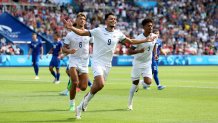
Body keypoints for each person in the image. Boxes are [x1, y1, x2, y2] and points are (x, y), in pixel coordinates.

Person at [64, 12, 156, 119]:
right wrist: (72, 28)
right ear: (106, 21)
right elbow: (81, 33)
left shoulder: (118, 33)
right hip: (97, 62)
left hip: (108, 64)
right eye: (111, 19)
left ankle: (83, 104)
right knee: (100, 84)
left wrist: (145, 40)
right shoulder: (98, 30)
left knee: (97, 87)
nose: (114, 20)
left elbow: (130, 41)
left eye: (115, 19)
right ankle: (80, 107)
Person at [62, 13, 94, 112]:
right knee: (75, 82)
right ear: (76, 20)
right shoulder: (70, 34)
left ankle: (74, 83)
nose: (82, 20)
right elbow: (63, 49)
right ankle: (72, 104)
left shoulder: (89, 33)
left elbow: (93, 46)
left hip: (84, 62)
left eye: (84, 19)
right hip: (74, 61)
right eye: (80, 18)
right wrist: (69, 51)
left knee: (84, 87)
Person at [127, 18, 158, 110]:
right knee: (134, 85)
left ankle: (140, 83)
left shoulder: (154, 36)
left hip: (147, 63)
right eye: (148, 26)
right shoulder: (139, 38)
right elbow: (129, 51)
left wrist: (155, 54)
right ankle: (130, 104)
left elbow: (154, 45)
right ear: (144, 27)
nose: (151, 27)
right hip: (138, 63)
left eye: (152, 25)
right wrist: (139, 50)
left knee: (148, 82)